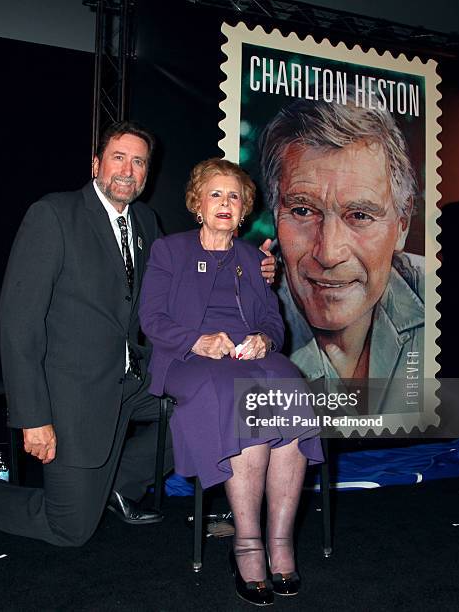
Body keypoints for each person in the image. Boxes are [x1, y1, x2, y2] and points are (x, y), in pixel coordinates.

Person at [0, 122, 276, 547]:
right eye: (119, 158)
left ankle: (119, 482)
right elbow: (17, 322)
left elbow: (183, 281)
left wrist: (252, 266)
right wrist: (33, 416)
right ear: (96, 164)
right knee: (71, 528)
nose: (128, 170)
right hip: (75, 393)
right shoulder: (53, 215)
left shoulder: (147, 221)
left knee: (210, 405)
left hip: (137, 380)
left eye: (139, 162)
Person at [139, 159, 322, 606]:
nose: (225, 203)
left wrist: (264, 340)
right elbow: (151, 320)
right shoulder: (170, 250)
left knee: (291, 386)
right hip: (189, 359)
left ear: (243, 211)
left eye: (234, 196)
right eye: (215, 194)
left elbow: (272, 323)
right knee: (240, 396)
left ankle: (281, 541)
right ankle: (247, 543)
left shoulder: (252, 259)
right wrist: (198, 341)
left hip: (246, 358)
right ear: (197, 204)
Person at [260, 95, 424, 414]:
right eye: (303, 210)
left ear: (402, 224)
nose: (329, 253)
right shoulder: (242, 304)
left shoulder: (436, 293)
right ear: (275, 214)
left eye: (360, 215)